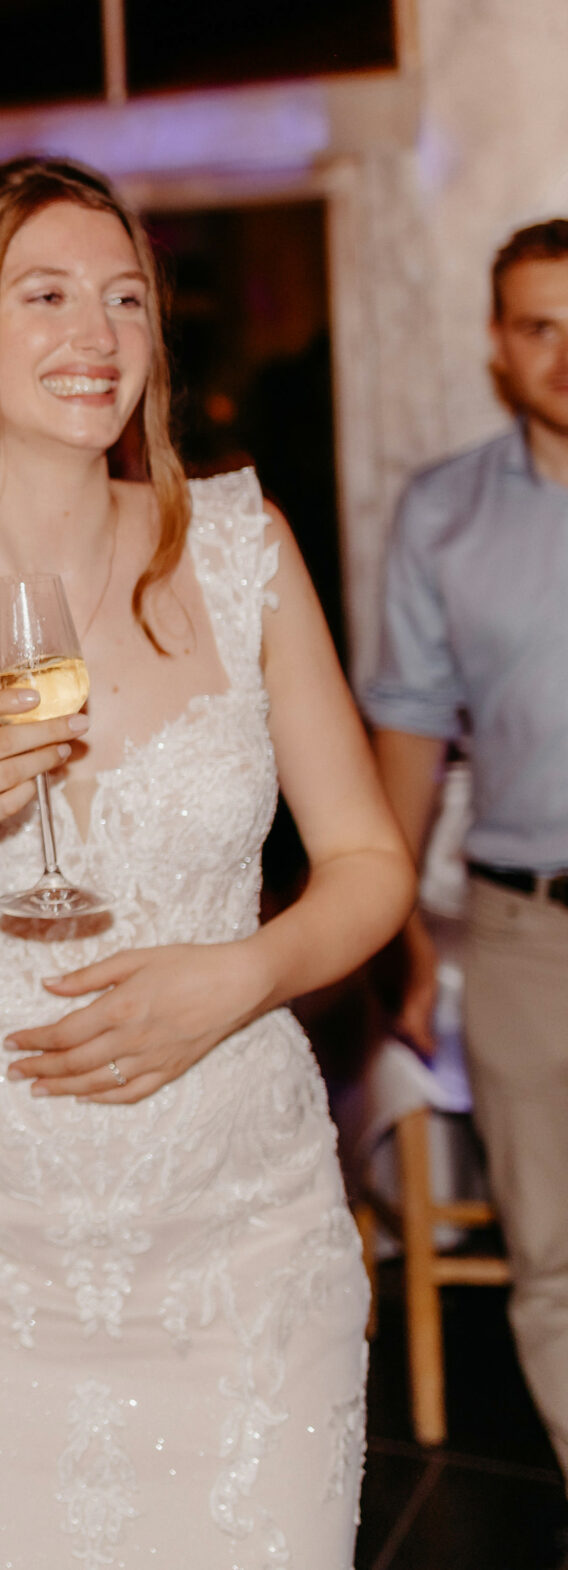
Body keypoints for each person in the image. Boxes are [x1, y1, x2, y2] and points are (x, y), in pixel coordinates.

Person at [0, 156, 411, 1562]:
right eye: (42, 295)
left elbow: (367, 861)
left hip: (236, 1234)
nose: (97, 335)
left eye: (126, 298)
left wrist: (243, 975)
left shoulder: (243, 549)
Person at [365, 218, 568, 1480]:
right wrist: (384, 923)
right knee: (551, 1259)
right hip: (519, 932)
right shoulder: (439, 514)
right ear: (498, 348)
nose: (566, 354)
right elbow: (405, 730)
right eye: (539, 326)